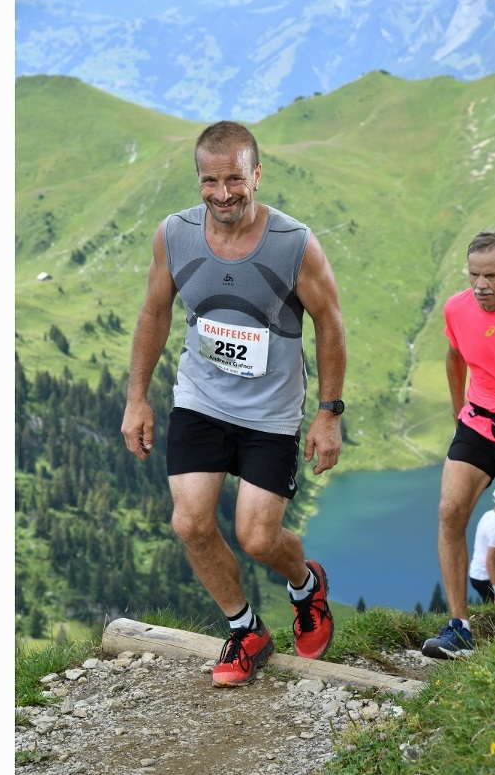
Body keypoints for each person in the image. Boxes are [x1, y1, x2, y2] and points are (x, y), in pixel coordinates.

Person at [120, 120, 348, 687]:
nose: (223, 193)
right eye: (210, 181)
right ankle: (246, 630)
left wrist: (328, 412)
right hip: (201, 398)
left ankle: (305, 585)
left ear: (256, 175)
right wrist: (136, 399)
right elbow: (154, 313)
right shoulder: (173, 234)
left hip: (271, 413)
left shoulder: (294, 243)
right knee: (191, 523)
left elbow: (330, 322)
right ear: (198, 180)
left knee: (257, 537)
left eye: (234, 180)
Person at [422, 229, 495, 660]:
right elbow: (454, 355)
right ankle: (459, 627)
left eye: (491, 275)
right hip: (479, 425)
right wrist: (459, 413)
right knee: (449, 512)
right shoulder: (457, 308)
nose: (481, 285)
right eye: (474, 274)